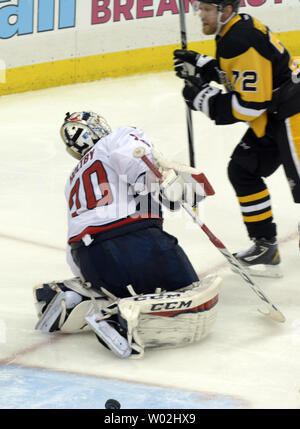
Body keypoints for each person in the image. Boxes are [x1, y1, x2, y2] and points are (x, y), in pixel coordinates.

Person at [33, 111, 221, 358]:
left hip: (88, 259)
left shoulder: (73, 179)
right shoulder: (119, 137)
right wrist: (165, 181)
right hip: (138, 242)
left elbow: (75, 238)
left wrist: (88, 279)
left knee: (119, 287)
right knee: (194, 300)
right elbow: (138, 165)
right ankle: (121, 318)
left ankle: (80, 296)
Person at [173, 0, 300, 278]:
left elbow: (252, 104)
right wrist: (203, 66)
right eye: (200, 9)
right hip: (276, 111)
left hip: (294, 113)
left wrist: (201, 98)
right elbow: (238, 76)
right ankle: (265, 244)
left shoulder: (239, 39)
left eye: (207, 10)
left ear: (225, 10)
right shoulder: (233, 31)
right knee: (243, 169)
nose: (200, 16)